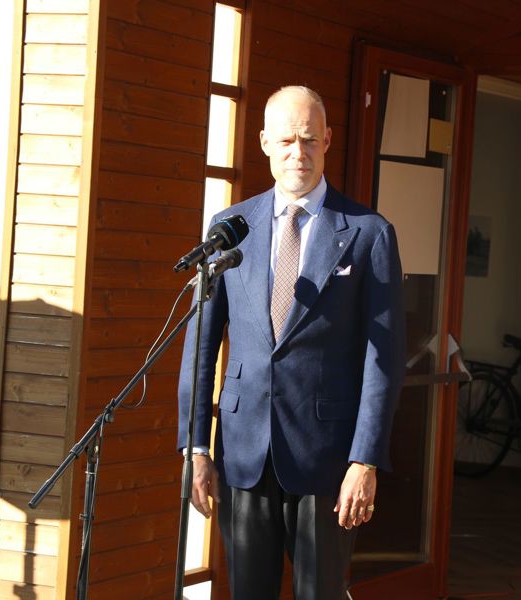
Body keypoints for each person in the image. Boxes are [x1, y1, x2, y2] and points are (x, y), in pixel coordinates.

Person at [177, 86, 406, 599]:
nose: (297, 152)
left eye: (308, 139)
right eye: (285, 141)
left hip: (327, 460)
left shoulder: (369, 233)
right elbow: (201, 346)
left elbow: (384, 360)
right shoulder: (230, 229)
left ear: (327, 140)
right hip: (243, 454)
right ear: (264, 143)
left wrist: (365, 461)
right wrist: (196, 447)